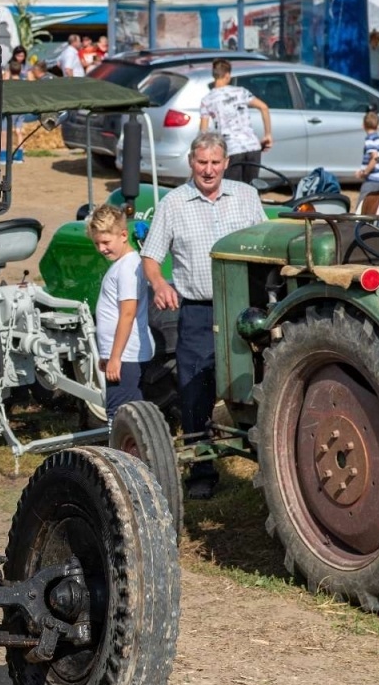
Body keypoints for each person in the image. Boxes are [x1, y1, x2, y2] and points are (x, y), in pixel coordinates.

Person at [141, 132, 267, 499]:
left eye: (215, 163)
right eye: (201, 163)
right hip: (197, 310)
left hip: (244, 308)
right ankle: (202, 468)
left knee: (255, 381)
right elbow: (150, 257)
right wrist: (160, 284)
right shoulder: (174, 203)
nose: (208, 170)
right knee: (195, 387)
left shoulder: (246, 196)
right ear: (191, 163)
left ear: (226, 163)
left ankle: (266, 458)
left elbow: (265, 241)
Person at [88, 204, 152, 417]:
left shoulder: (127, 267)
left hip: (126, 356)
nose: (101, 249)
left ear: (123, 235)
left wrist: (115, 357)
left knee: (119, 414)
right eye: (97, 243)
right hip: (120, 355)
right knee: (131, 414)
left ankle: (121, 450)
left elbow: (127, 313)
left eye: (106, 242)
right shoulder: (122, 264)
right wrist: (107, 354)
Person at [197, 59, 272, 184]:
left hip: (231, 149)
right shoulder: (241, 92)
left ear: (214, 75)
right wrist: (268, 134)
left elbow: (203, 131)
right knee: (252, 189)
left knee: (232, 189)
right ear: (227, 75)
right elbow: (263, 107)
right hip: (252, 146)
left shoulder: (207, 100)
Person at [356, 110, 379, 194]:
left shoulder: (369, 139)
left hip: (372, 180)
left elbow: (375, 157)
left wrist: (364, 172)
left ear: (363, 126)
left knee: (362, 205)